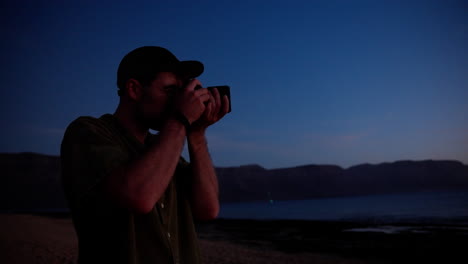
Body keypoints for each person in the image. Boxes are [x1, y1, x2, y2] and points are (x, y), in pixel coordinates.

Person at [60, 46, 230, 264]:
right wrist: (180, 119)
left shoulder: (165, 148)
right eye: (170, 92)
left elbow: (208, 210)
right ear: (134, 89)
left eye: (181, 93)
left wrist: (196, 135)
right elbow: (139, 197)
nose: (177, 102)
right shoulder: (87, 132)